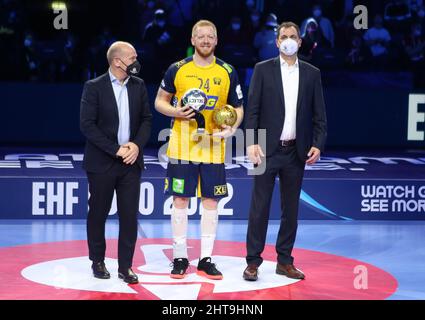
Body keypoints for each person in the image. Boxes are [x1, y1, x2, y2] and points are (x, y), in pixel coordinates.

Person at [154, 20, 244, 280]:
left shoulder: (228, 71)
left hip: (214, 147)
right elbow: (160, 101)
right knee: (180, 200)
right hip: (183, 146)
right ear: (192, 40)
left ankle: (206, 259)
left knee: (211, 201)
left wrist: (232, 128)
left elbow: (237, 108)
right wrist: (176, 111)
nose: (205, 40)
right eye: (200, 36)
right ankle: (180, 257)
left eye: (210, 37)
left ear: (216, 41)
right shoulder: (177, 69)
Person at [243, 22, 327, 281]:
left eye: (293, 36)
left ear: (300, 42)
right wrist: (251, 142)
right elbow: (252, 109)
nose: (288, 40)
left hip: (296, 152)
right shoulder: (262, 70)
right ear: (277, 42)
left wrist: (317, 143)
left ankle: (285, 261)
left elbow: (319, 115)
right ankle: (253, 262)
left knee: (291, 209)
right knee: (259, 208)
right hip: (265, 149)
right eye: (284, 37)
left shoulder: (312, 73)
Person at [80, 41, 152, 284]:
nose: (136, 61)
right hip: (102, 162)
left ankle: (126, 266)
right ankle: (97, 261)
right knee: (98, 213)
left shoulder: (139, 86)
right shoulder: (94, 87)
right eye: (132, 57)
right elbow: (87, 125)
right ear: (117, 62)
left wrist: (135, 146)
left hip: (131, 162)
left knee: (129, 216)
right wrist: (116, 150)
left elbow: (146, 120)